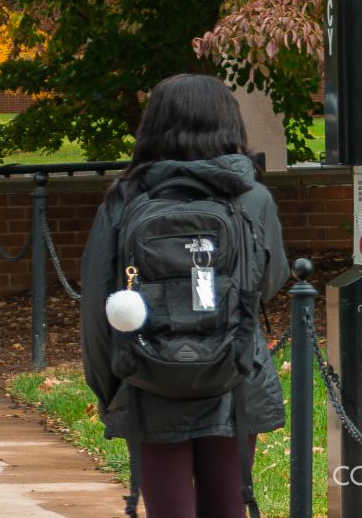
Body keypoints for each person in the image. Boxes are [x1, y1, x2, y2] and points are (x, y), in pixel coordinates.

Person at [79, 75, 290, 518]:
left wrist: (111, 389)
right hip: (234, 374)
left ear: (153, 125)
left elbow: (98, 310)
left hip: (148, 379)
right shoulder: (253, 198)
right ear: (229, 123)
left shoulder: (122, 201)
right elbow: (269, 284)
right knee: (228, 508)